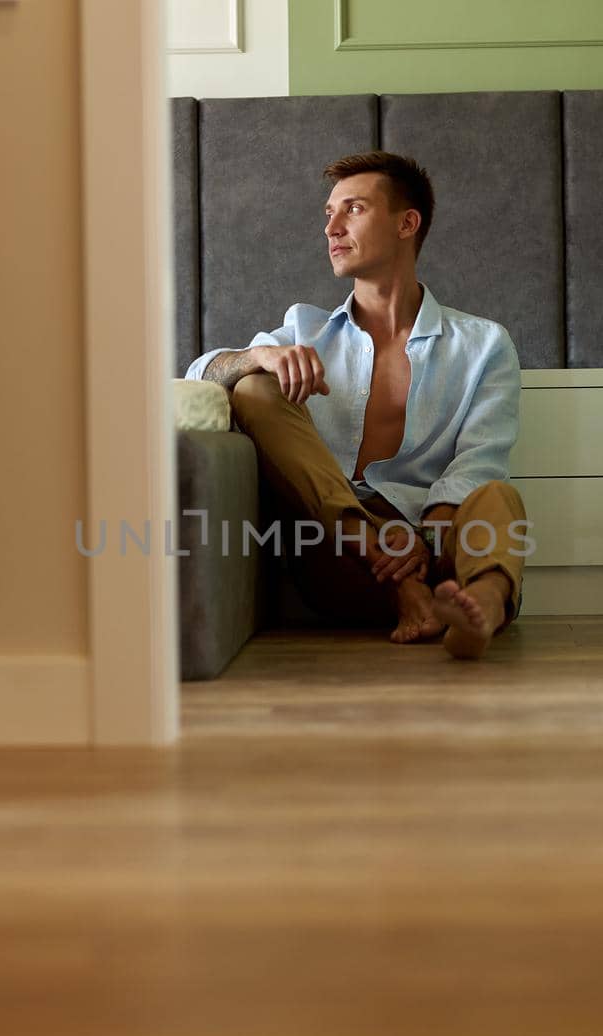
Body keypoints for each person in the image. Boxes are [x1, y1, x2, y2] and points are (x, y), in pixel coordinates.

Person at [183, 151, 529, 660]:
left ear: (407, 223)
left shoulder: (484, 344)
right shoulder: (304, 330)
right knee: (255, 388)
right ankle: (406, 585)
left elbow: (479, 456)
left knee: (497, 496)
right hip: (337, 548)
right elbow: (199, 376)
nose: (332, 228)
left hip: (436, 542)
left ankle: (480, 608)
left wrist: (424, 544)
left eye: (353, 209)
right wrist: (259, 355)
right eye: (329, 213)